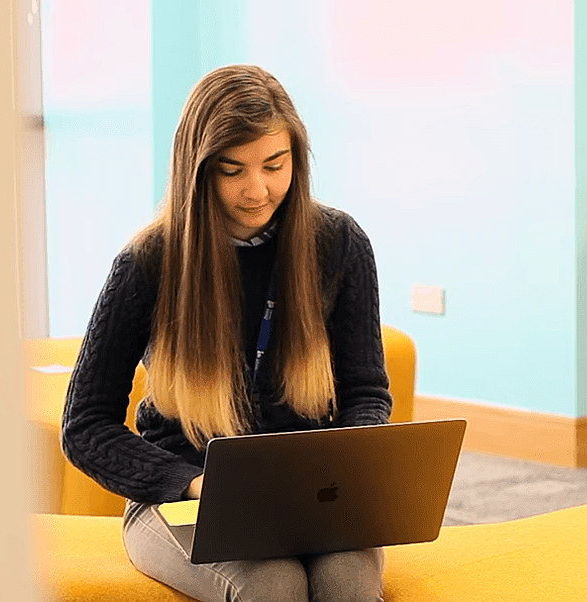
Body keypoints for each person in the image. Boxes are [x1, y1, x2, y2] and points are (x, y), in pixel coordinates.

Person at [60, 64, 392, 602]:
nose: (257, 190)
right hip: (184, 495)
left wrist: (346, 466)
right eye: (232, 170)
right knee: (274, 584)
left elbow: (366, 391)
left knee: (348, 583)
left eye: (274, 165)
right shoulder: (148, 263)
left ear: (296, 160)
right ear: (198, 171)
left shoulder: (339, 244)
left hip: (309, 494)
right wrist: (194, 483)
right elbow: (85, 426)